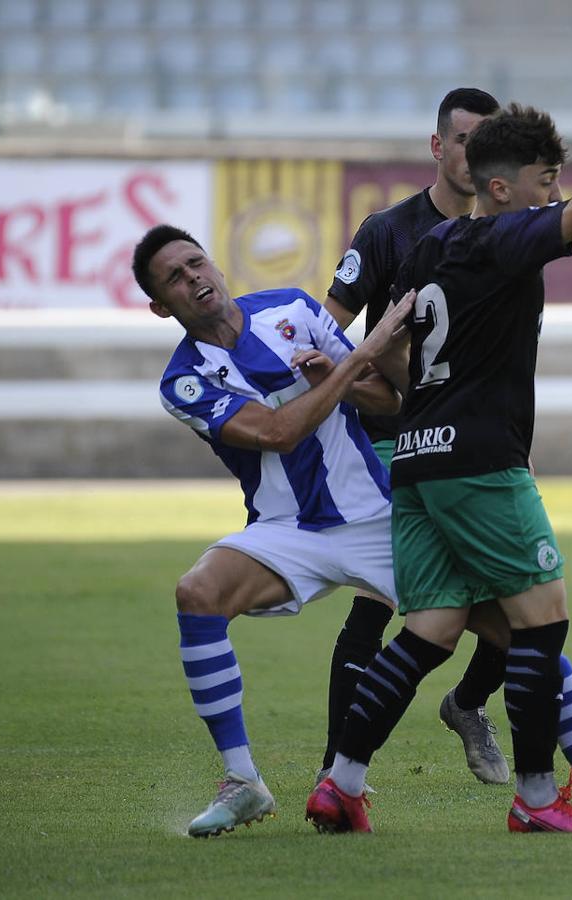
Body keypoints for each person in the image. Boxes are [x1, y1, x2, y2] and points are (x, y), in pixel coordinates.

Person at [307, 79, 572, 834]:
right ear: (503, 188)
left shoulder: (431, 245)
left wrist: (423, 412)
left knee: (429, 631)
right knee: (542, 625)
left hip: (414, 460)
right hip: (480, 464)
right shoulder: (504, 237)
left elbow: (401, 344)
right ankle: (539, 799)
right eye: (547, 184)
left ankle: (341, 783)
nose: (557, 196)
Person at [131, 223, 415, 837]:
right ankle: (243, 782)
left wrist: (338, 377)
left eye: (196, 263)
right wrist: (356, 361)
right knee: (197, 593)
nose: (194, 280)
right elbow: (276, 434)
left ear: (216, 265)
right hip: (285, 529)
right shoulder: (183, 382)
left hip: (372, 513)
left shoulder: (294, 308)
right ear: (161, 307)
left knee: (511, 619)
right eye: (175, 280)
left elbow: (387, 402)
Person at [318, 87, 515, 787]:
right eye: (464, 141)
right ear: (438, 147)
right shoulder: (387, 233)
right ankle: (335, 776)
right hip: (390, 451)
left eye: (487, 144)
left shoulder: (503, 239)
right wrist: (387, 392)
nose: (473, 156)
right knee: (376, 602)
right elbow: (324, 335)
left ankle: (466, 703)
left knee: (518, 600)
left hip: (474, 448)